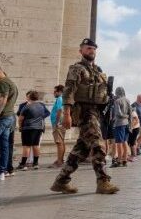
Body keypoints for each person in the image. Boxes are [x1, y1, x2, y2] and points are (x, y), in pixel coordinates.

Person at [50, 38, 119, 194]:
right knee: (99, 146)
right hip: (84, 111)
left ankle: (61, 181)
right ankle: (103, 182)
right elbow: (69, 91)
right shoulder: (77, 69)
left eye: (93, 49)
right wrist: (67, 113)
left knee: (80, 150)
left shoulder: (99, 71)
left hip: (96, 112)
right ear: (81, 50)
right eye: (88, 48)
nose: (91, 51)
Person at [16, 90, 50, 170]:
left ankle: (23, 164)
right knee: (36, 145)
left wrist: (20, 127)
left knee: (26, 146)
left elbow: (20, 118)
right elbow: (45, 114)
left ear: (29, 97)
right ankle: (36, 163)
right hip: (38, 128)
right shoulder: (41, 106)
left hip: (28, 128)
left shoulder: (27, 106)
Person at [111, 87, 131, 167]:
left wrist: (125, 116)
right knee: (125, 141)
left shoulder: (117, 101)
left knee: (118, 142)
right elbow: (130, 112)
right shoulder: (127, 100)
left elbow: (118, 113)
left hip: (119, 123)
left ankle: (119, 160)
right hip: (126, 124)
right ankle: (125, 160)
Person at [49, 85, 66, 167]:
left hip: (58, 123)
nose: (54, 93)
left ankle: (59, 161)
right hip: (60, 123)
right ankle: (60, 159)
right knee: (61, 142)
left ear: (60, 92)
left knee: (59, 142)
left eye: (55, 91)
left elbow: (60, 110)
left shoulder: (60, 98)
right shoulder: (62, 98)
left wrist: (56, 122)